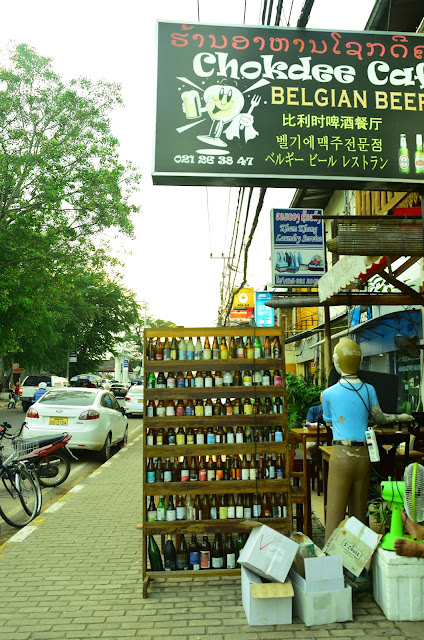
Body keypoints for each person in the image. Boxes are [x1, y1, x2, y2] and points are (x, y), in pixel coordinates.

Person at [322, 337, 413, 543]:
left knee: (335, 513)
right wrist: (401, 417)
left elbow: (329, 423)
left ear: (337, 362)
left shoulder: (328, 394)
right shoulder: (369, 389)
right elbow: (380, 417)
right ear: (359, 361)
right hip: (363, 454)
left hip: (341, 453)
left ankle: (331, 563)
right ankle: (360, 567)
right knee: (359, 513)